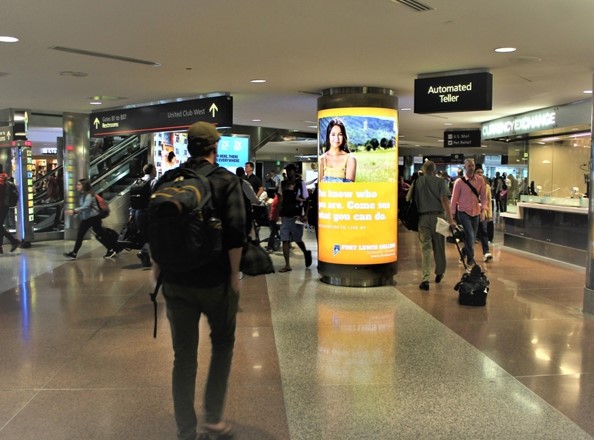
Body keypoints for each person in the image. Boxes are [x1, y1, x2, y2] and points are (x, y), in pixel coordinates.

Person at [156, 121, 246, 440]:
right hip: (215, 280)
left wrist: (159, 271)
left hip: (176, 281)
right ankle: (213, 419)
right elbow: (236, 232)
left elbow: (154, 229)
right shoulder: (226, 180)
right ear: (215, 147)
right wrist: (234, 275)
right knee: (222, 344)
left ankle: (186, 429)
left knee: (183, 357)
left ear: (188, 147)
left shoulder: (168, 179)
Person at [407, 160, 455, 291]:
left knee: (425, 249)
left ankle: (425, 279)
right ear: (434, 170)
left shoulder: (417, 182)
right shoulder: (441, 182)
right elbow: (445, 200)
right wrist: (451, 220)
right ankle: (439, 272)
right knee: (439, 247)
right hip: (439, 217)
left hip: (423, 218)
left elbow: (407, 198)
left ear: (423, 169)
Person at [63, 178, 117, 259]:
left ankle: (111, 249)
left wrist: (74, 211)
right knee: (83, 235)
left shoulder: (89, 195)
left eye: (79, 184)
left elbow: (86, 206)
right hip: (88, 219)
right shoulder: (83, 194)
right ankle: (74, 253)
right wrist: (76, 213)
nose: (77, 186)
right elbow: (84, 208)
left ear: (84, 186)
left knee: (100, 234)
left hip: (94, 218)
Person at [450, 158, 488, 268]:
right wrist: (452, 214)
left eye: (472, 165)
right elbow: (454, 199)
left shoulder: (480, 180)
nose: (471, 168)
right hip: (463, 212)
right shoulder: (459, 182)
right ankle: (471, 259)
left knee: (471, 237)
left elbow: (484, 197)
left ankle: (464, 251)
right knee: (470, 235)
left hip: (475, 212)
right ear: (464, 167)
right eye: (469, 166)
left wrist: (483, 210)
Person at [278, 163, 312, 272]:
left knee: (297, 239)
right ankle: (287, 265)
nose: (288, 173)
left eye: (290, 170)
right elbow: (280, 199)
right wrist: (278, 212)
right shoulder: (283, 184)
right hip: (285, 215)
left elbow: (307, 200)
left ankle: (306, 252)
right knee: (285, 240)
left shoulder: (300, 184)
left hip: (297, 215)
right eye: (287, 171)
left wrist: (305, 215)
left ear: (294, 171)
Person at [133, 163, 157, 267]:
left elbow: (133, 198)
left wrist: (132, 213)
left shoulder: (137, 181)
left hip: (138, 211)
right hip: (148, 211)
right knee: (151, 234)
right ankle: (144, 252)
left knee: (144, 234)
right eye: (155, 169)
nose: (155, 171)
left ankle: (145, 256)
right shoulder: (153, 181)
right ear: (152, 171)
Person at [0, 164, 20, 253]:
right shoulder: (4, 178)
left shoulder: (1, 180)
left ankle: (14, 241)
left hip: (2, 206)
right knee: (0, 226)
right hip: (4, 206)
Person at [475, 167, 493, 262]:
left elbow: (489, 201)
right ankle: (465, 252)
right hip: (472, 212)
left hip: (483, 212)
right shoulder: (471, 184)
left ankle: (486, 252)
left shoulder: (487, 187)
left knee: (484, 231)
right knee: (471, 234)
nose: (480, 174)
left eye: (481, 172)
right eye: (478, 172)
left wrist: (489, 214)